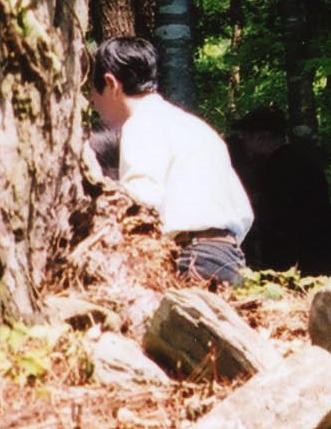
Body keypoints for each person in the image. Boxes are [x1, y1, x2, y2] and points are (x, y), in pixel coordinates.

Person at [81, 37, 255, 286]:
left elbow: (141, 204)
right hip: (230, 257)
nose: (93, 104)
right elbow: (242, 211)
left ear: (111, 84)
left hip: (191, 258)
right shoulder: (194, 126)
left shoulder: (141, 124)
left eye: (93, 93)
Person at [232, 107, 331, 276]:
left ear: (261, 138)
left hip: (296, 258)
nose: (243, 143)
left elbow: (276, 219)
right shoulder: (304, 159)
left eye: (245, 136)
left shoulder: (277, 168)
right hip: (320, 250)